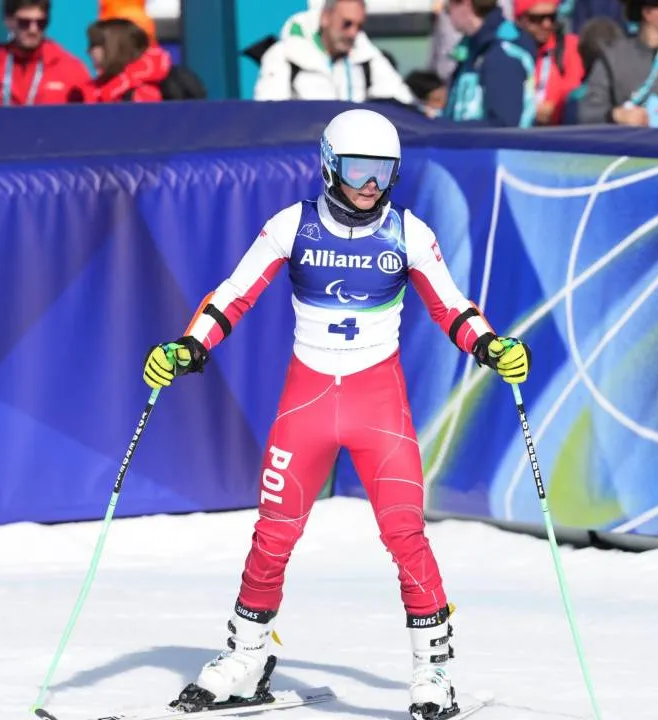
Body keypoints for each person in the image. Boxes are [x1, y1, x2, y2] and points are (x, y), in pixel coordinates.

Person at [142, 108, 531, 720]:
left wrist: (491, 345)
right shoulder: (291, 226)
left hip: (379, 407)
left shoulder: (408, 232)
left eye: (383, 172)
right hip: (309, 402)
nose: (371, 185)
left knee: (406, 535)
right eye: (357, 170)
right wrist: (189, 347)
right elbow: (231, 294)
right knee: (272, 535)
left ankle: (433, 671)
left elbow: (453, 307)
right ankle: (246, 657)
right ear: (328, 165)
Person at [253, 0, 415, 104]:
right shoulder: (283, 55)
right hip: (305, 153)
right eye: (347, 24)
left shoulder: (368, 57)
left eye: (359, 26)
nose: (353, 33)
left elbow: (402, 102)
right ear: (325, 18)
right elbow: (269, 117)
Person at [0, 0, 93, 107]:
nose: (33, 30)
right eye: (24, 23)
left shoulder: (70, 69)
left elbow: (90, 121)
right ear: (8, 22)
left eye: (41, 23)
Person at [441, 0, 541, 127]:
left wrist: (449, 129)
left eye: (448, 7)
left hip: (494, 146)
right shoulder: (471, 51)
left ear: (466, 4)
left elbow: (504, 125)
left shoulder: (503, 54)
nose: (447, 14)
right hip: (466, 144)